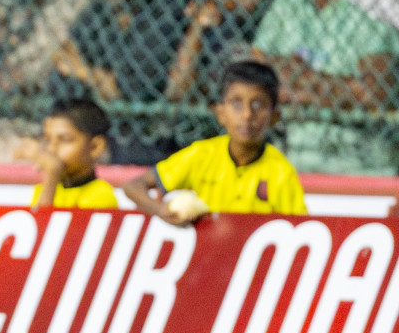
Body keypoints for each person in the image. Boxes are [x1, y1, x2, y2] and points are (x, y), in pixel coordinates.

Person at [252, 0, 398, 175]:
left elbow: (373, 96)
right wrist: (339, 88)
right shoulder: (287, 2)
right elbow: (252, 82)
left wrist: (295, 79)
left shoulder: (369, 6)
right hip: (292, 161)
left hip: (359, 165)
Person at [50, 0, 182, 163]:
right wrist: (97, 79)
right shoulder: (96, 13)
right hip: (97, 125)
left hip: (147, 136)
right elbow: (62, 61)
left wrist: (84, 72)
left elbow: (129, 90)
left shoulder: (162, 17)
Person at [123, 61, 305, 221]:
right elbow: (133, 186)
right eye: (236, 103)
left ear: (274, 116)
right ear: (220, 113)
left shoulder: (281, 173)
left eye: (258, 105)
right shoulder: (202, 155)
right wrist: (161, 210)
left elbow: (299, 228)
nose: (247, 115)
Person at [16, 97, 118, 209]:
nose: (52, 149)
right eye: (48, 139)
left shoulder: (101, 195)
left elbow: (46, 224)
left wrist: (52, 172)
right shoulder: (43, 189)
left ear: (95, 147)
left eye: (65, 140)